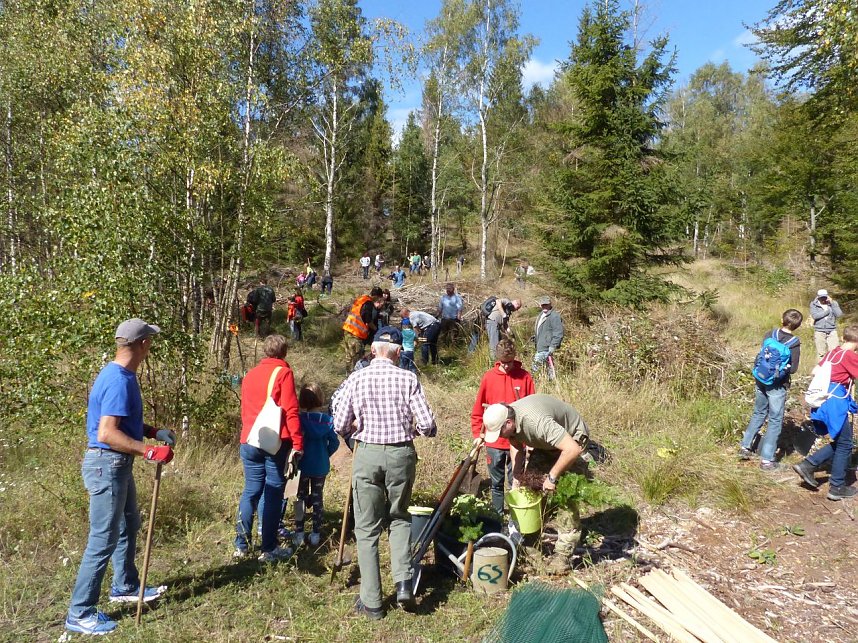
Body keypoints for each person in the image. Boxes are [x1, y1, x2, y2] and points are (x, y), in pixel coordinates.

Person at [66, 319, 175, 636]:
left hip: (116, 464)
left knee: (129, 524)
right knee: (102, 540)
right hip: (107, 464)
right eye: (150, 341)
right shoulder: (118, 380)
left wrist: (153, 431)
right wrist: (149, 450)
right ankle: (80, 612)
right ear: (142, 344)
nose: (151, 346)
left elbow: (120, 422)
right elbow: (107, 432)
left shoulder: (120, 374)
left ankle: (125, 585)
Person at [333, 326, 437, 619]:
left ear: (373, 350)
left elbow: (339, 423)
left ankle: (373, 602)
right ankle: (404, 583)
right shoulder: (407, 378)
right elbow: (428, 424)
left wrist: (355, 426)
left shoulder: (357, 377)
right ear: (397, 352)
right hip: (400, 453)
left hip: (367, 452)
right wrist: (415, 429)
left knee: (366, 527)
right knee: (399, 517)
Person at [482, 394, 590, 570]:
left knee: (564, 498)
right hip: (547, 443)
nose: (501, 437)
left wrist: (552, 477)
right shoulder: (510, 418)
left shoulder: (537, 423)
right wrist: (517, 473)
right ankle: (531, 544)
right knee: (530, 489)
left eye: (500, 432)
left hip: (572, 438)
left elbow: (572, 449)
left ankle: (563, 556)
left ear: (508, 423)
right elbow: (516, 444)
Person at [234, 335, 302, 562]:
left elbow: (246, 409)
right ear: (284, 352)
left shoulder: (250, 375)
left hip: (250, 439)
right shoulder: (283, 373)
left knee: (251, 491)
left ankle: (241, 545)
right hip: (275, 442)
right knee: (273, 492)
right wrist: (298, 443)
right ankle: (269, 548)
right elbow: (291, 411)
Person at [792, 325, 858, 500]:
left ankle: (809, 465)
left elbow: (815, 371)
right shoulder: (849, 356)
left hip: (823, 400)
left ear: (844, 338)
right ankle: (836, 487)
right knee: (845, 444)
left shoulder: (833, 352)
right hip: (835, 401)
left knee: (841, 441)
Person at [471, 339, 535, 514]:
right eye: (503, 363)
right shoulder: (489, 377)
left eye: (510, 362)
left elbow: (532, 411)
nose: (507, 367)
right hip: (494, 442)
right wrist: (478, 433)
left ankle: (516, 516)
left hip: (517, 441)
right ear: (498, 359)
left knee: (515, 480)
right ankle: (497, 516)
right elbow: (478, 408)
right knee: (496, 483)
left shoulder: (525, 377)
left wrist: (530, 440)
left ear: (515, 357)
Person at [738, 309, 803, 470]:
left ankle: (745, 447)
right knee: (775, 420)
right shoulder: (794, 343)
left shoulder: (770, 334)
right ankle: (767, 459)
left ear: (782, 319)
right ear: (798, 326)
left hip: (760, 378)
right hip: (777, 385)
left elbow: (761, 355)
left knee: (759, 412)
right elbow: (793, 369)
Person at [293, 384, 339, 547]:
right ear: (320, 399)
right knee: (317, 497)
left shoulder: (298, 420)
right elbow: (334, 443)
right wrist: (325, 454)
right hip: (320, 466)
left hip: (302, 466)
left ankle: (299, 533)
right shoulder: (327, 421)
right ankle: (316, 533)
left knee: (301, 498)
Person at [341, 292, 384, 372]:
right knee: (356, 357)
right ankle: (355, 375)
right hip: (355, 333)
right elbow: (368, 321)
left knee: (349, 356)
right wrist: (376, 330)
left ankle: (348, 374)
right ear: (377, 298)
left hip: (348, 329)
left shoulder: (362, 299)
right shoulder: (368, 304)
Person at [532, 296, 564, 380]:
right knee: (548, 370)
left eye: (546, 304)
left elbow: (558, 333)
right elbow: (542, 330)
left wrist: (553, 346)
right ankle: (550, 384)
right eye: (543, 305)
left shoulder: (554, 316)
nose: (544, 306)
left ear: (550, 304)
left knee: (535, 370)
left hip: (547, 348)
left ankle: (536, 384)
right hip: (540, 347)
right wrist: (536, 337)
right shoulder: (541, 315)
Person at [810, 289, 842, 360]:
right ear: (818, 297)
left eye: (825, 297)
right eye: (821, 297)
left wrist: (832, 304)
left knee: (834, 352)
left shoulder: (833, 303)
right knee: (821, 353)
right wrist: (826, 312)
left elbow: (839, 314)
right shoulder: (814, 304)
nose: (823, 299)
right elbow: (815, 316)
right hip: (819, 331)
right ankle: (820, 369)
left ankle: (833, 369)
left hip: (832, 330)